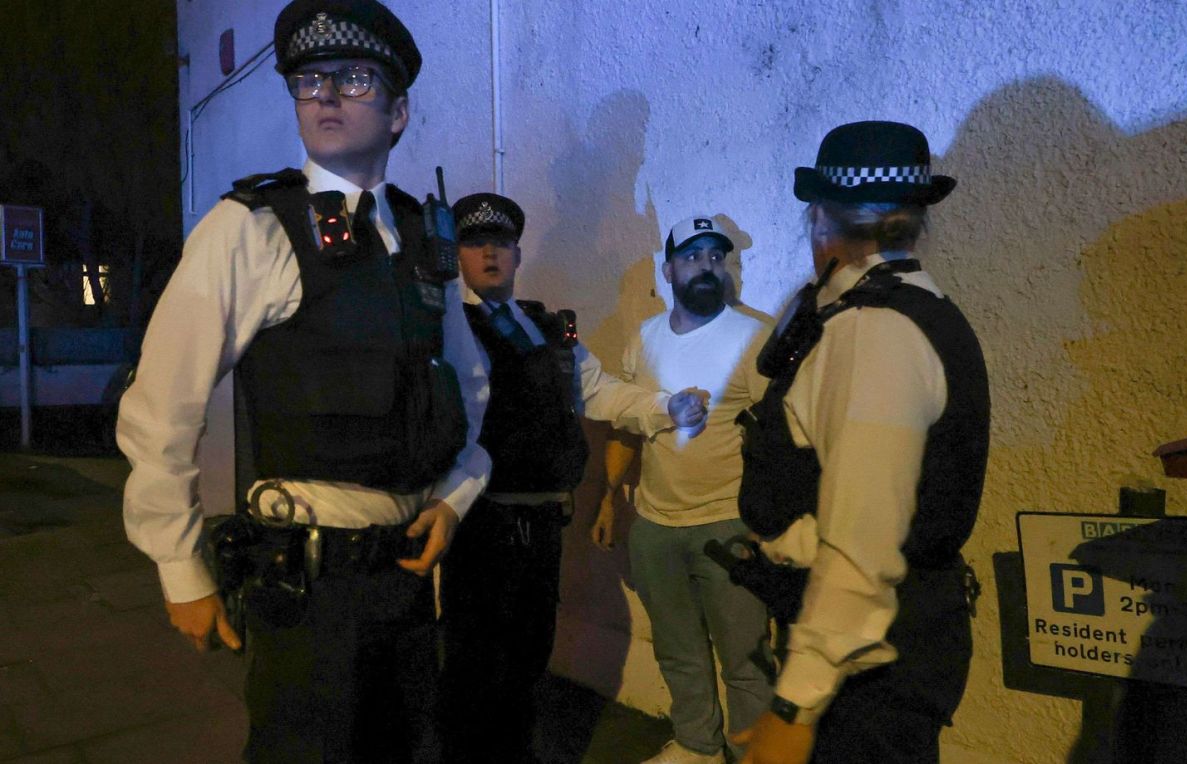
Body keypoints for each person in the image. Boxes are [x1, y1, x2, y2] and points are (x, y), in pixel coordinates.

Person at [116, 1, 491, 760]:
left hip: (411, 580)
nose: (324, 94)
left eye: (353, 78)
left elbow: (468, 382)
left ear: (398, 111)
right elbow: (161, 407)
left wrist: (456, 496)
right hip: (311, 592)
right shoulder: (251, 226)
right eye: (310, 79)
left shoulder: (426, 236)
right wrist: (180, 566)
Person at [732, 121, 990, 763]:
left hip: (867, 670)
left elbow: (862, 544)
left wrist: (796, 703)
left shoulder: (873, 331)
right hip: (879, 651)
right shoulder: (907, 311)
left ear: (820, 220)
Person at [438, 192, 710, 763]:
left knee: (528, 657)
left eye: (502, 243)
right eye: (474, 243)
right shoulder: (445, 327)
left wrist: (665, 406)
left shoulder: (542, 327)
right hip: (479, 522)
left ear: (517, 253)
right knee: (474, 664)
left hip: (539, 522)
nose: (489, 254)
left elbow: (599, 390)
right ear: (457, 254)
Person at [591, 215, 775, 764]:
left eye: (717, 257)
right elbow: (625, 424)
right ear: (668, 269)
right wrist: (608, 498)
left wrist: (775, 522)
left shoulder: (756, 335)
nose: (707, 267)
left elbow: (785, 435)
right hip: (654, 523)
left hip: (729, 523)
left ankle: (753, 754)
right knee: (678, 651)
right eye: (693, 257)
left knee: (746, 658)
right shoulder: (643, 339)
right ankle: (698, 746)